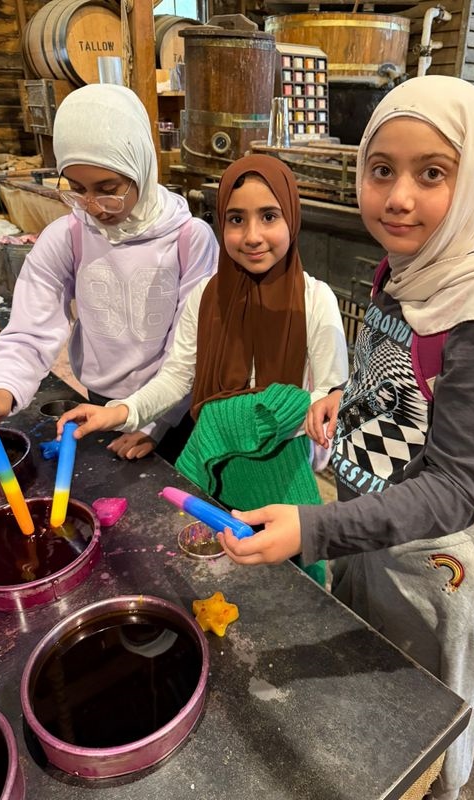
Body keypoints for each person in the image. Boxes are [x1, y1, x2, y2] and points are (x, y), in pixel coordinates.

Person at [214, 77, 474, 799]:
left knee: (421, 724)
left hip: (437, 568)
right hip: (374, 535)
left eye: (432, 173)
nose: (398, 197)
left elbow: (455, 488)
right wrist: (346, 398)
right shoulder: (404, 274)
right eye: (382, 170)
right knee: (368, 695)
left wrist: (314, 528)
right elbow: (401, 379)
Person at [56, 154, 349, 584]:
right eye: (236, 219)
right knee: (221, 574)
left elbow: (326, 396)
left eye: (269, 216)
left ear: (293, 217)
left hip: (283, 476)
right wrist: (117, 412)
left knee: (286, 581)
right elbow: (178, 376)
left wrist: (264, 415)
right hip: (218, 472)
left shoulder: (315, 299)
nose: (252, 236)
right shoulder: (207, 299)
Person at [0, 83, 218, 461]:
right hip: (100, 399)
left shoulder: (189, 239)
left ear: (141, 166)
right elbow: (30, 327)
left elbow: (193, 350)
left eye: (108, 188)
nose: (94, 206)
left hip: (174, 409)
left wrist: (154, 424)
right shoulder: (69, 236)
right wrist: (1, 387)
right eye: (77, 189)